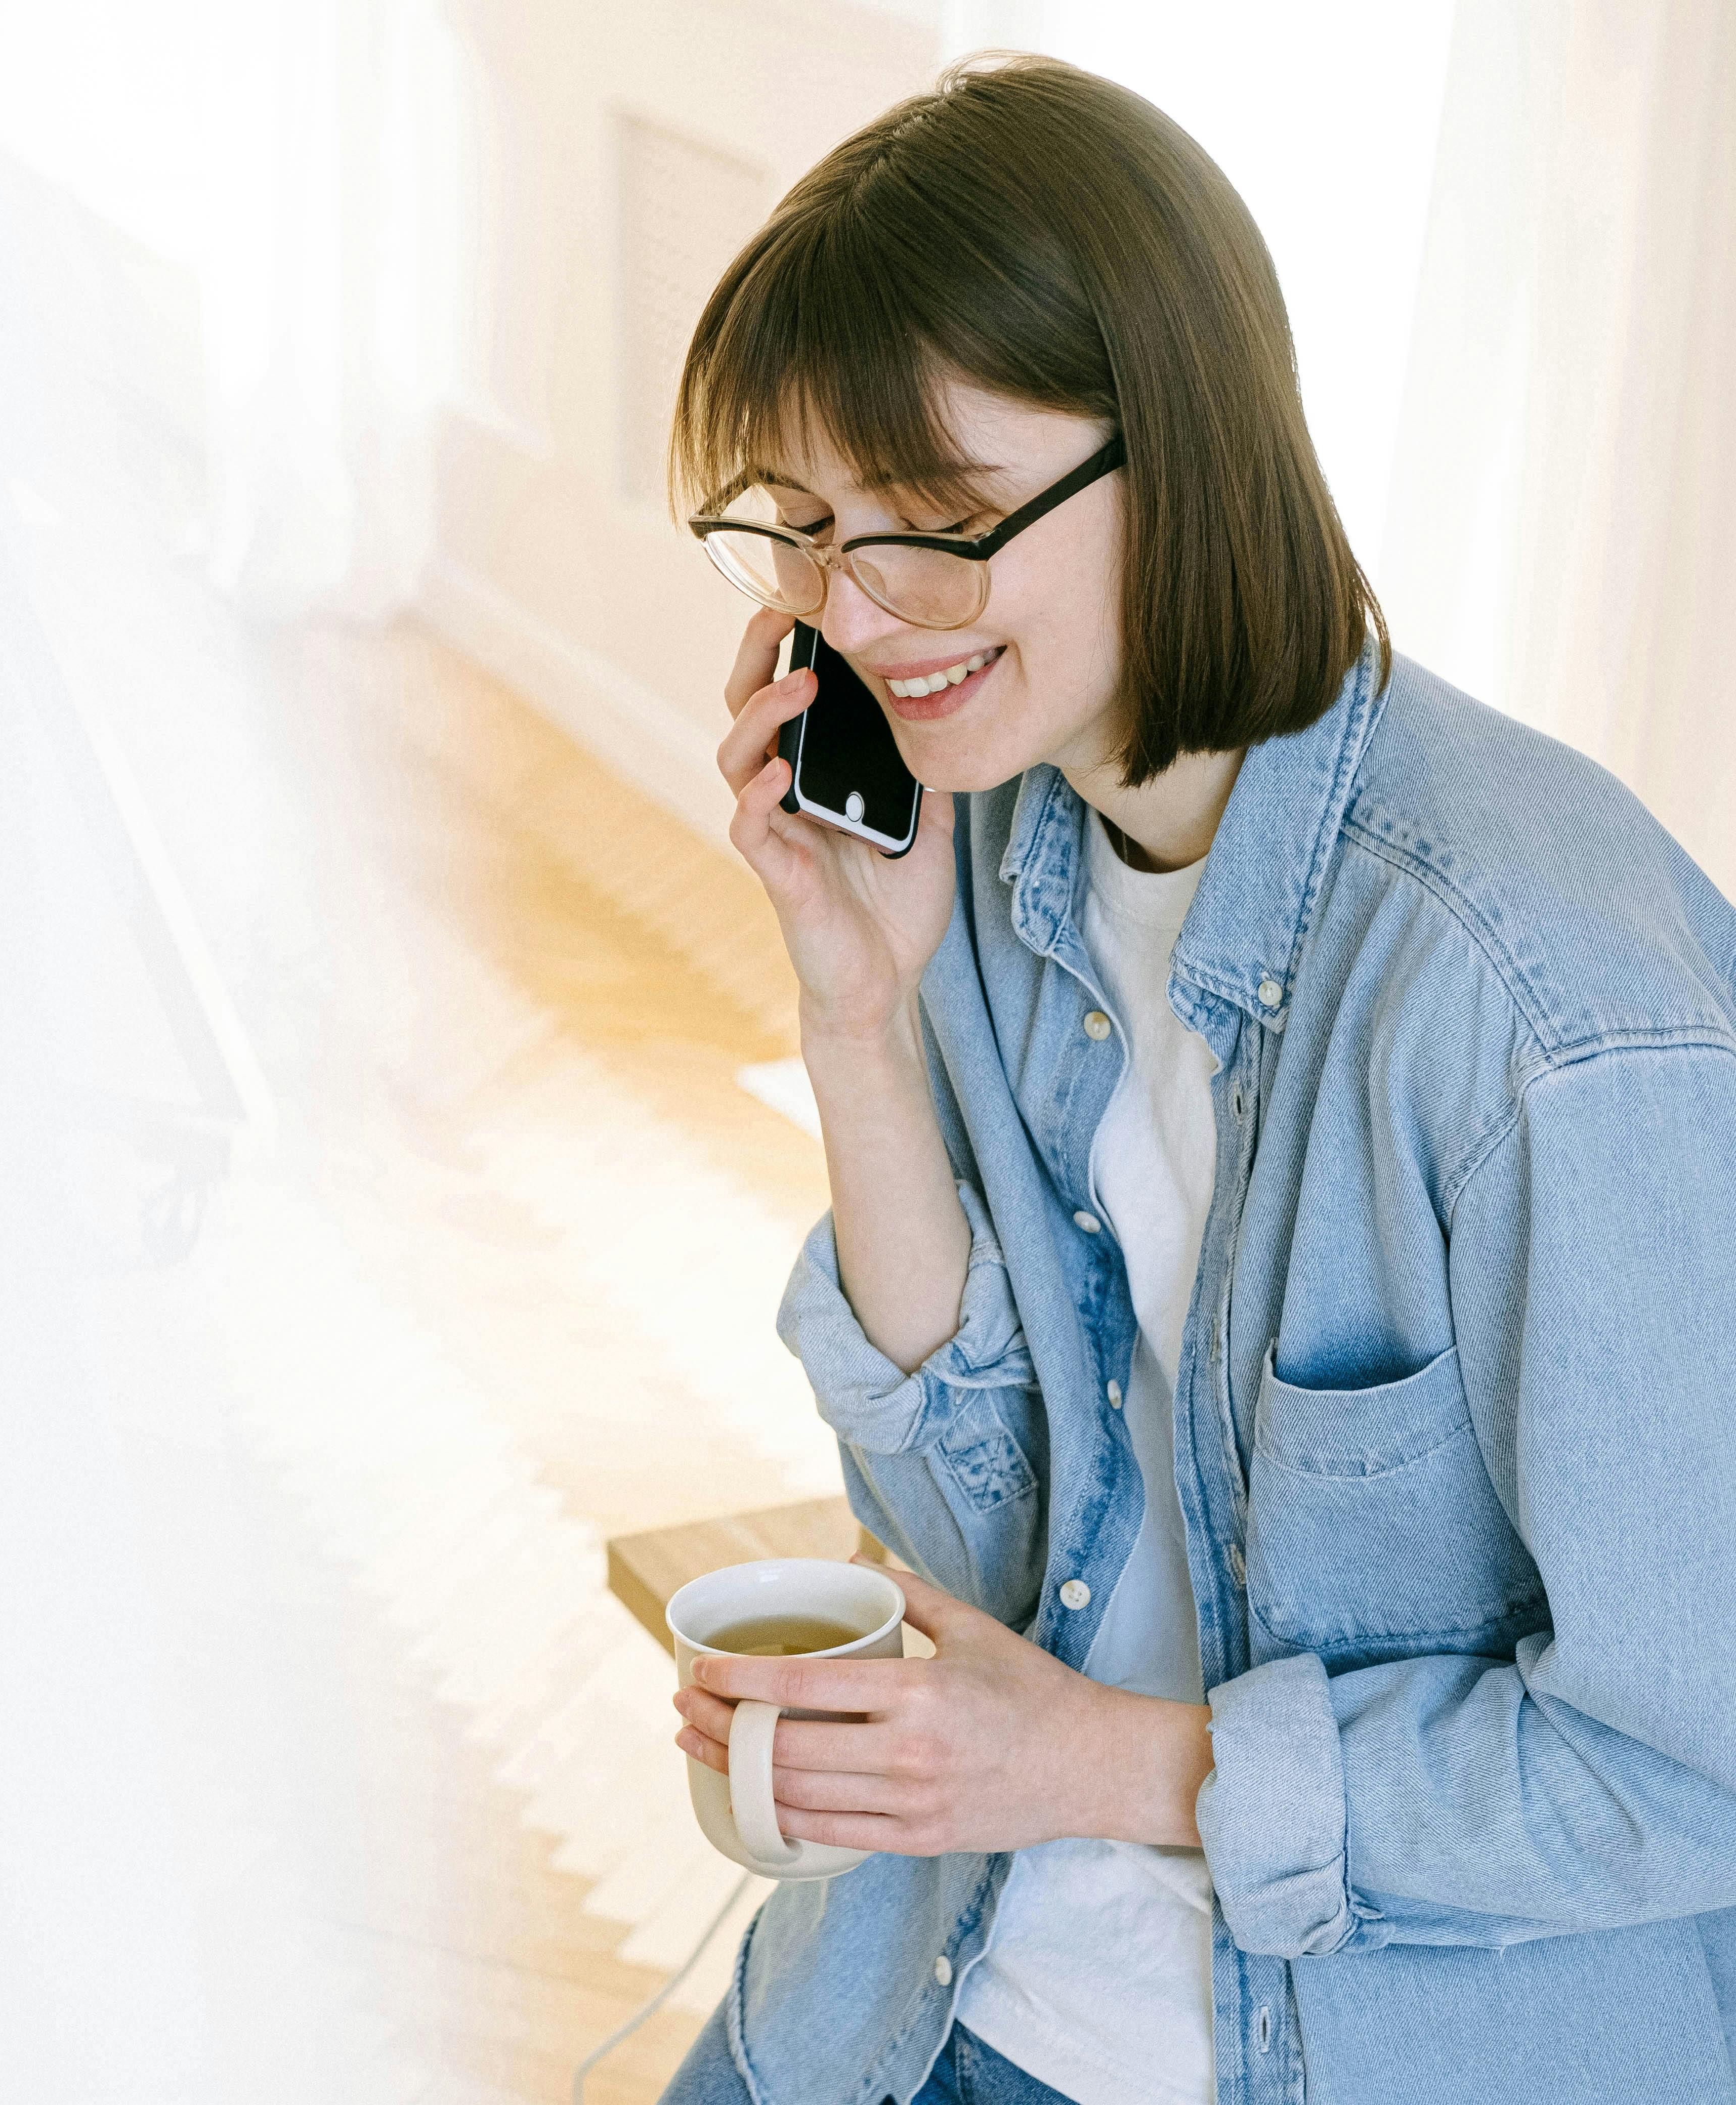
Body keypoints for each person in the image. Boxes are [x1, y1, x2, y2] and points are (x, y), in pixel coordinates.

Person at [648, 53, 1736, 2105]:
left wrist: (1089, 1757)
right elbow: (967, 1526)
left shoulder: (1543, 1003)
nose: (858, 618)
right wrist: (860, 1013)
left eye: (942, 529)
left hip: (1363, 2031)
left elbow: (1693, 1762)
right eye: (802, 532)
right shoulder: (980, 837)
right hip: (950, 1958)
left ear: (1188, 454)